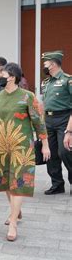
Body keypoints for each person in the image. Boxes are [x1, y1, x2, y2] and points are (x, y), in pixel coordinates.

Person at [0, 63, 50, 241]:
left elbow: (39, 122)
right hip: (1, 147)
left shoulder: (28, 97)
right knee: (5, 182)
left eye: (2, 73)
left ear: (12, 76)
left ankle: (13, 222)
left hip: (22, 148)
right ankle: (16, 211)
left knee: (18, 182)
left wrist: (45, 144)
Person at [40, 50, 72, 195]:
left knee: (65, 152)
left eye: (45, 63)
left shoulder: (68, 80)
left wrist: (70, 131)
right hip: (48, 120)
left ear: (52, 64)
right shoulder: (45, 82)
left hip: (64, 119)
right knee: (50, 154)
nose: (44, 66)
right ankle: (57, 184)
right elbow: (44, 104)